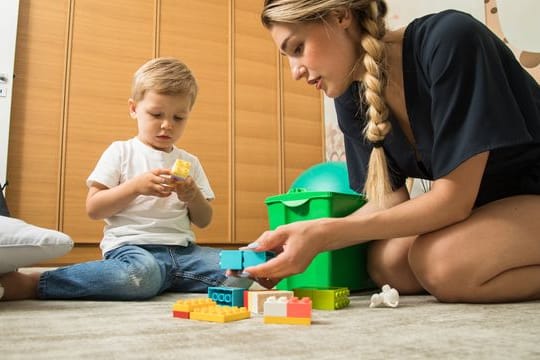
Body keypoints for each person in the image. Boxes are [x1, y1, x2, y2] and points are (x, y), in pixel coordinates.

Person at [240, 0, 540, 303]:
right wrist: (303, 234)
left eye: (298, 48)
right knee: (387, 263)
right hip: (489, 206)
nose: (295, 72)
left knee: (442, 265)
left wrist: (326, 233)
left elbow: (453, 201)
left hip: (528, 194)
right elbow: (390, 200)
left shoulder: (451, 40)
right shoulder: (351, 94)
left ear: (340, 16)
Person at [0, 57, 250, 301]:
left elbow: (204, 220)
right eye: (156, 114)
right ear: (134, 109)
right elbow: (94, 208)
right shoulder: (121, 151)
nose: (167, 125)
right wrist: (135, 187)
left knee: (243, 270)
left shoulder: (191, 161)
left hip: (185, 253)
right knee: (140, 273)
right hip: (132, 249)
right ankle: (36, 283)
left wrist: (193, 196)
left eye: (178, 117)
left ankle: (162, 279)